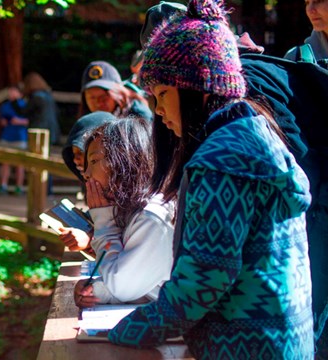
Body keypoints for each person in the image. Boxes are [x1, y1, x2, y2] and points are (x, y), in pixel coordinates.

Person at [109, 1, 314, 358]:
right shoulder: (257, 134)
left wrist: (123, 329)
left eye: (161, 94)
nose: (157, 111)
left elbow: (202, 282)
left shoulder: (221, 162)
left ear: (197, 88)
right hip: (284, 343)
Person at [73, 116, 174, 306]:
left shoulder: (151, 217)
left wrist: (104, 222)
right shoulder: (133, 211)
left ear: (125, 160)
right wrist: (98, 293)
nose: (86, 173)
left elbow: (121, 287)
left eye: (94, 160)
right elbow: (144, 288)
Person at [59, 112, 116, 251]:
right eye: (73, 154)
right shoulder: (99, 187)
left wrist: (90, 239)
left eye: (81, 153)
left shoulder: (135, 201)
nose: (75, 160)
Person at [79, 61, 152, 122]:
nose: (98, 103)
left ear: (118, 93)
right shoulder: (85, 121)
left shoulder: (140, 115)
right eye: (92, 98)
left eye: (104, 97)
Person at [0, 86, 28, 195]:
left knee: (20, 164)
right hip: (7, 136)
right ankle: (3, 186)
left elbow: (30, 120)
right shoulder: (5, 106)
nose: (11, 95)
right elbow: (2, 119)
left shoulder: (25, 105)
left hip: (20, 137)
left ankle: (19, 187)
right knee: (5, 163)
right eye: (10, 92)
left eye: (13, 92)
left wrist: (18, 121)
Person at [22, 72, 61, 146]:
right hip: (52, 129)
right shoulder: (48, 95)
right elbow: (57, 112)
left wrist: (15, 101)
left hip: (39, 130)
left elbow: (24, 112)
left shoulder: (35, 97)